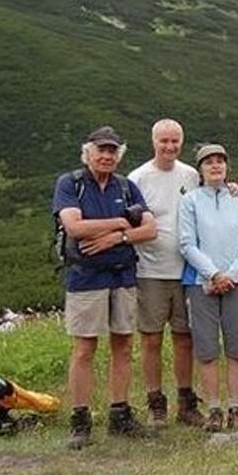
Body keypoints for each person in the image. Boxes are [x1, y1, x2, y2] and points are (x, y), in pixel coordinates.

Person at [52, 126, 158, 449]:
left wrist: (118, 237)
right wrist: (120, 222)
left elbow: (151, 228)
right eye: (101, 150)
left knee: (123, 346)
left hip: (123, 276)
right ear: (88, 152)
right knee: (84, 349)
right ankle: (80, 419)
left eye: (113, 151)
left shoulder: (126, 187)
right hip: (86, 278)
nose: (107, 156)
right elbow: (73, 226)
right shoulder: (70, 184)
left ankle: (119, 414)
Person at [128, 118, 205, 427]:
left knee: (185, 338)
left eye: (175, 141)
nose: (170, 147)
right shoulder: (138, 178)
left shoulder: (190, 175)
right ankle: (155, 402)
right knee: (151, 339)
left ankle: (186, 402)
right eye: (164, 141)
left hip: (187, 271)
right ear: (153, 142)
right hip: (150, 270)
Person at [178, 144, 238, 431]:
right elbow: (187, 243)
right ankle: (213, 407)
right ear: (200, 169)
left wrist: (232, 275)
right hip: (201, 283)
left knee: (237, 346)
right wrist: (213, 274)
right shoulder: (190, 201)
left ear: (227, 167)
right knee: (207, 347)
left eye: (220, 162)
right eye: (209, 162)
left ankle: (235, 406)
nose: (215, 166)